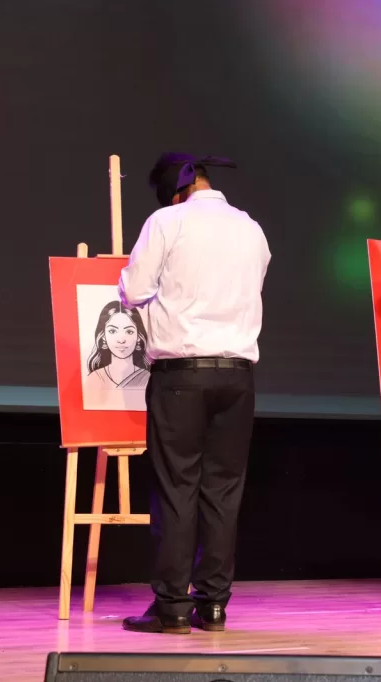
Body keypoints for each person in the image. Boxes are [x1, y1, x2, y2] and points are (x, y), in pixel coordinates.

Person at [119, 152, 271, 634]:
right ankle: (214, 604)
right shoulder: (251, 227)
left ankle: (171, 606)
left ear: (176, 191)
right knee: (223, 490)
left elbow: (133, 291)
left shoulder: (168, 221)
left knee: (176, 486)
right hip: (238, 375)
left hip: (182, 373)